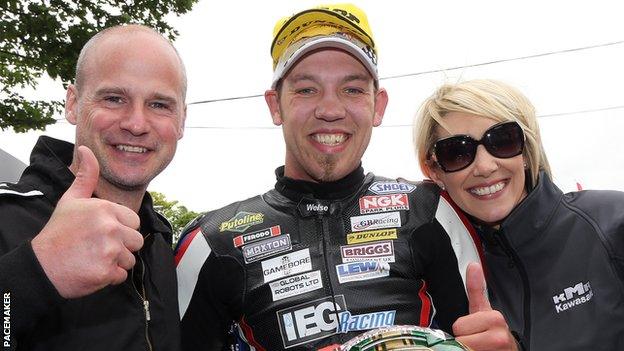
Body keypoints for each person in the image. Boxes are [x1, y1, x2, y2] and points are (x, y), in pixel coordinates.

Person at [174, 4, 516, 351]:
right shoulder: (211, 242)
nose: (330, 110)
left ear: (377, 105)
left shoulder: (431, 212)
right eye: (306, 89)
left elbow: (494, 333)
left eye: (352, 89)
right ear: (275, 105)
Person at [0, 25, 186, 350]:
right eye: (114, 98)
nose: (137, 124)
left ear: (181, 120)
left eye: (159, 105)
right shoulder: (5, 217)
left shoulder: (162, 242)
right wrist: (34, 272)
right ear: (73, 104)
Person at [413, 79, 624, 350]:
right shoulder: (434, 272)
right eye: (457, 152)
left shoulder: (612, 222)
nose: (485, 167)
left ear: (525, 150)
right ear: (434, 170)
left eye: (502, 141)